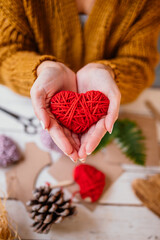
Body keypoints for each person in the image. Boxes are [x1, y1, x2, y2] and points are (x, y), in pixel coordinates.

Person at [0, 0, 160, 163]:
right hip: (30, 104)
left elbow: (141, 65)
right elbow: (5, 54)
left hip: (100, 105)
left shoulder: (145, 3)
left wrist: (109, 73)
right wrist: (42, 69)